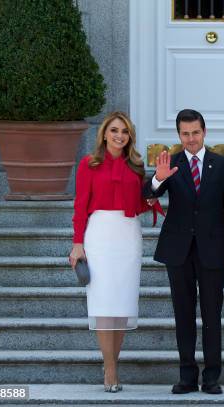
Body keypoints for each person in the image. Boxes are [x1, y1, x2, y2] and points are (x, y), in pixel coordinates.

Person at [143, 109, 224, 395]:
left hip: (213, 250)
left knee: (212, 315)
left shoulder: (222, 165)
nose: (191, 139)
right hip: (179, 251)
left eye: (195, 133)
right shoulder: (170, 164)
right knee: (183, 314)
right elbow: (147, 195)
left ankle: (211, 377)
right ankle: (187, 376)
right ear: (179, 135)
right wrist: (158, 180)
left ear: (204, 132)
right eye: (185, 134)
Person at [69, 111, 163, 393]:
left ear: (129, 136)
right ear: (105, 134)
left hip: (128, 236)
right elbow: (80, 205)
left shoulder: (135, 165)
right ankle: (110, 369)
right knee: (103, 304)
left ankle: (112, 363)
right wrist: (77, 243)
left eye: (124, 132)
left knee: (121, 306)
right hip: (99, 235)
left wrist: (154, 194)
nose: (119, 136)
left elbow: (138, 205)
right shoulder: (89, 164)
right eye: (114, 131)